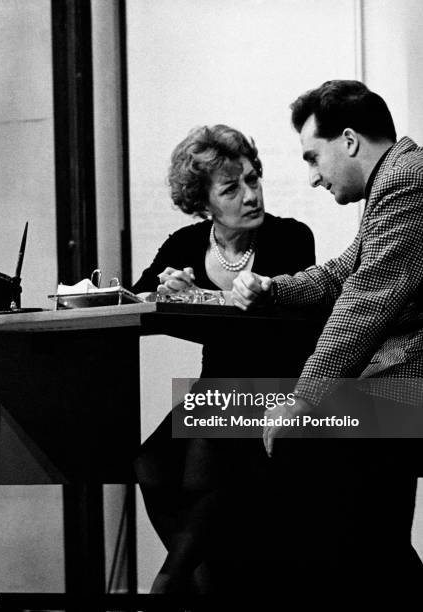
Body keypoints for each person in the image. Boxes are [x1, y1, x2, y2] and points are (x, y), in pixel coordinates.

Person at [232, 80, 423, 589]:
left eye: (313, 158)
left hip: (414, 384)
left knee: (293, 445)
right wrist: (273, 288)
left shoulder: (407, 181)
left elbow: (364, 302)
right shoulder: (395, 176)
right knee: (358, 521)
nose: (313, 177)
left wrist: (302, 399)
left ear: (350, 140)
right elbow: (343, 272)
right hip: (402, 382)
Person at [132, 124, 315, 594]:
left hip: (278, 390)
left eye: (254, 180)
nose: (251, 195)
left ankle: (169, 583)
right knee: (149, 463)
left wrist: (199, 300)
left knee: (201, 457)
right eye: (232, 188)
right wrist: (166, 289)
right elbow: (138, 295)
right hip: (216, 390)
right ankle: (205, 583)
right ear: (203, 201)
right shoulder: (186, 243)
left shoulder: (290, 237)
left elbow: (267, 324)